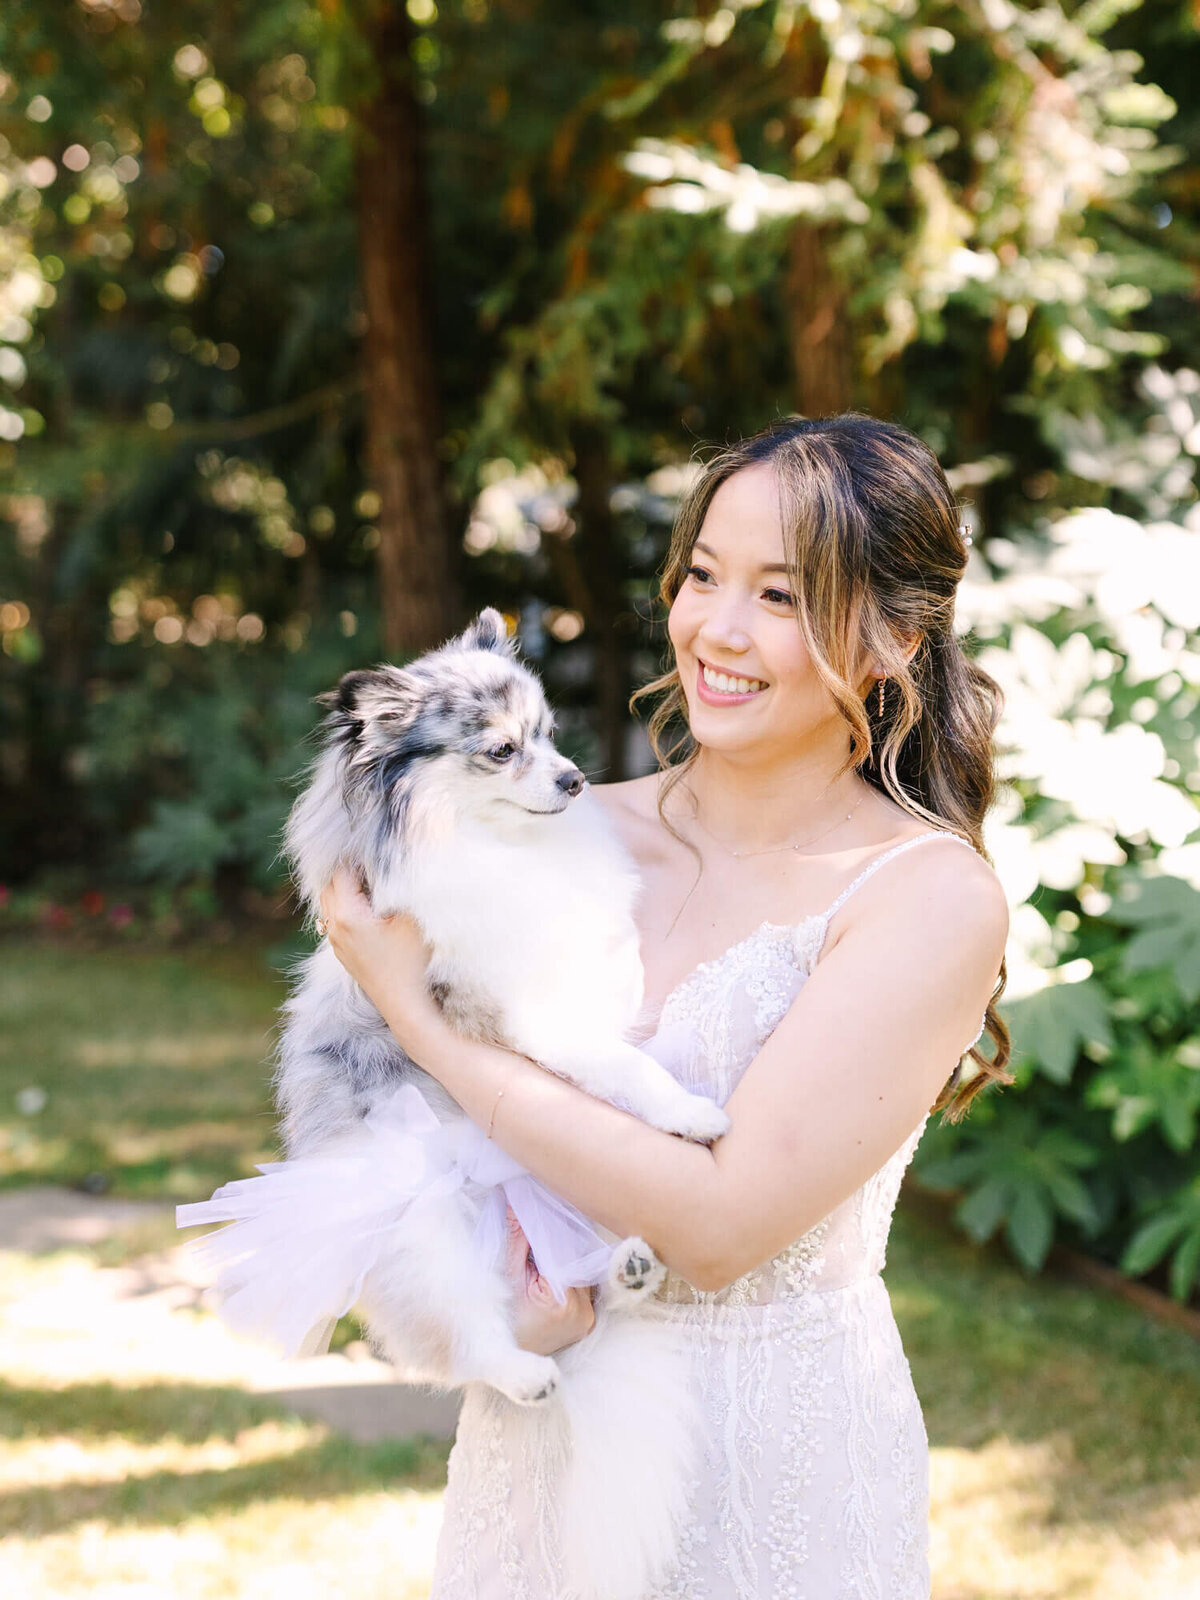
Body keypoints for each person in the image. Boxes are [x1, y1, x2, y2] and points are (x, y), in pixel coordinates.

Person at [318, 413, 1012, 1598]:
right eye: (702, 575)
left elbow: (720, 1223)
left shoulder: (927, 898)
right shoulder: (559, 824)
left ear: (895, 635)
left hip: (773, 1471)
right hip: (541, 1458)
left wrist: (423, 1019)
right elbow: (398, 1135)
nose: (716, 630)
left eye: (783, 596)